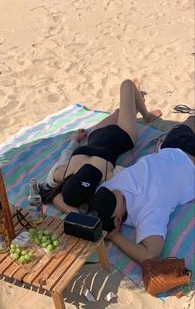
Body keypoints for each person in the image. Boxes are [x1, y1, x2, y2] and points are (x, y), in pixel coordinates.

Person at [42, 78, 162, 213]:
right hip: (124, 135)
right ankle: (146, 116)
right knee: (127, 85)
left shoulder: (58, 174)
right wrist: (158, 151)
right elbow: (139, 169)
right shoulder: (108, 178)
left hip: (97, 134)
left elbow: (66, 155)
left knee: (120, 111)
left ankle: (136, 104)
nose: (87, 172)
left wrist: (75, 140)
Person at [87, 115, 195, 265]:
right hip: (183, 154)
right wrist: (114, 236)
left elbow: (148, 254)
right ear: (118, 220)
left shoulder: (114, 193)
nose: (117, 191)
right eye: (114, 197)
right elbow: (150, 255)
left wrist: (110, 233)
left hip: (175, 148)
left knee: (191, 119)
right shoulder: (145, 211)